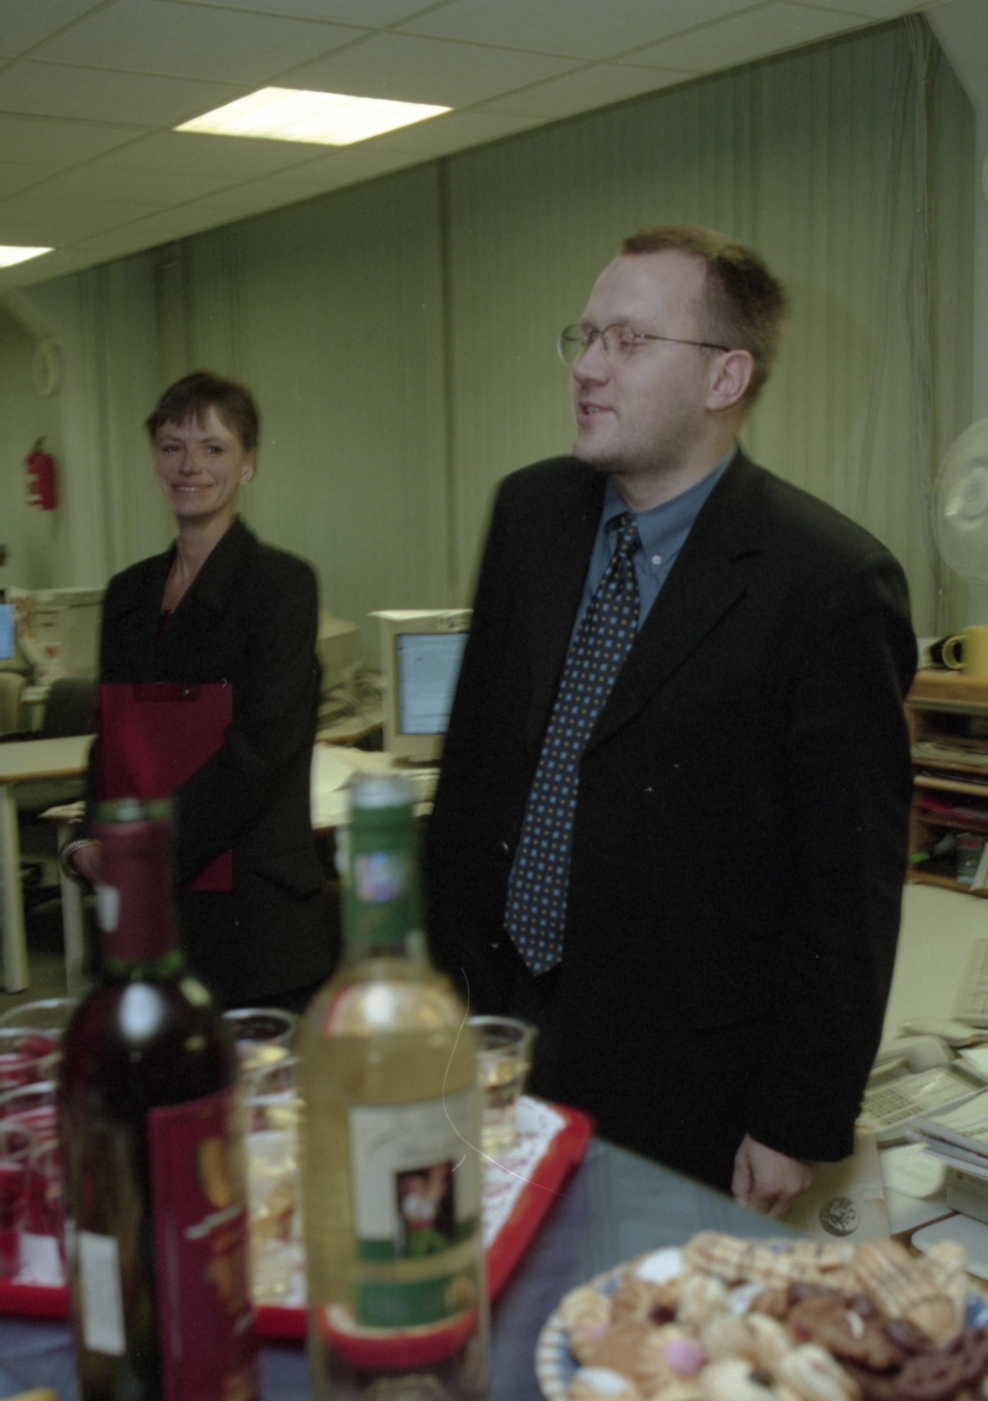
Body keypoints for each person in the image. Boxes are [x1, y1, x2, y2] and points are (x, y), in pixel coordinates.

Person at [424, 225, 917, 1218]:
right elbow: (472, 773)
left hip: (685, 1087)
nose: (587, 367)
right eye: (585, 336)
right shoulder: (529, 515)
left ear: (725, 376)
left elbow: (847, 891)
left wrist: (797, 1117)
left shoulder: (827, 584)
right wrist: (436, 999)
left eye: (630, 340)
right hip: (492, 1038)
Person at [67, 370, 333, 1011]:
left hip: (251, 922)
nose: (189, 466)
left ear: (249, 465)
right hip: (146, 921)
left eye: (213, 448)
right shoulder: (128, 594)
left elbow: (258, 754)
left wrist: (138, 854)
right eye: (171, 447)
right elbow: (114, 740)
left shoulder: (280, 587)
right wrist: (83, 839)